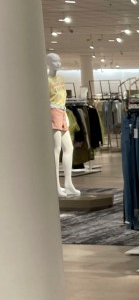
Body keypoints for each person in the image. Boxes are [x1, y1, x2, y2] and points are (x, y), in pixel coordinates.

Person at [47, 53, 80, 198]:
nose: (58, 63)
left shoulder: (61, 78)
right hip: (52, 111)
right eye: (54, 61)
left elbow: (62, 97)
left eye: (59, 60)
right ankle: (56, 185)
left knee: (69, 148)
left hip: (62, 110)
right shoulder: (45, 80)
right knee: (56, 149)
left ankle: (68, 183)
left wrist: (65, 114)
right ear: (48, 63)